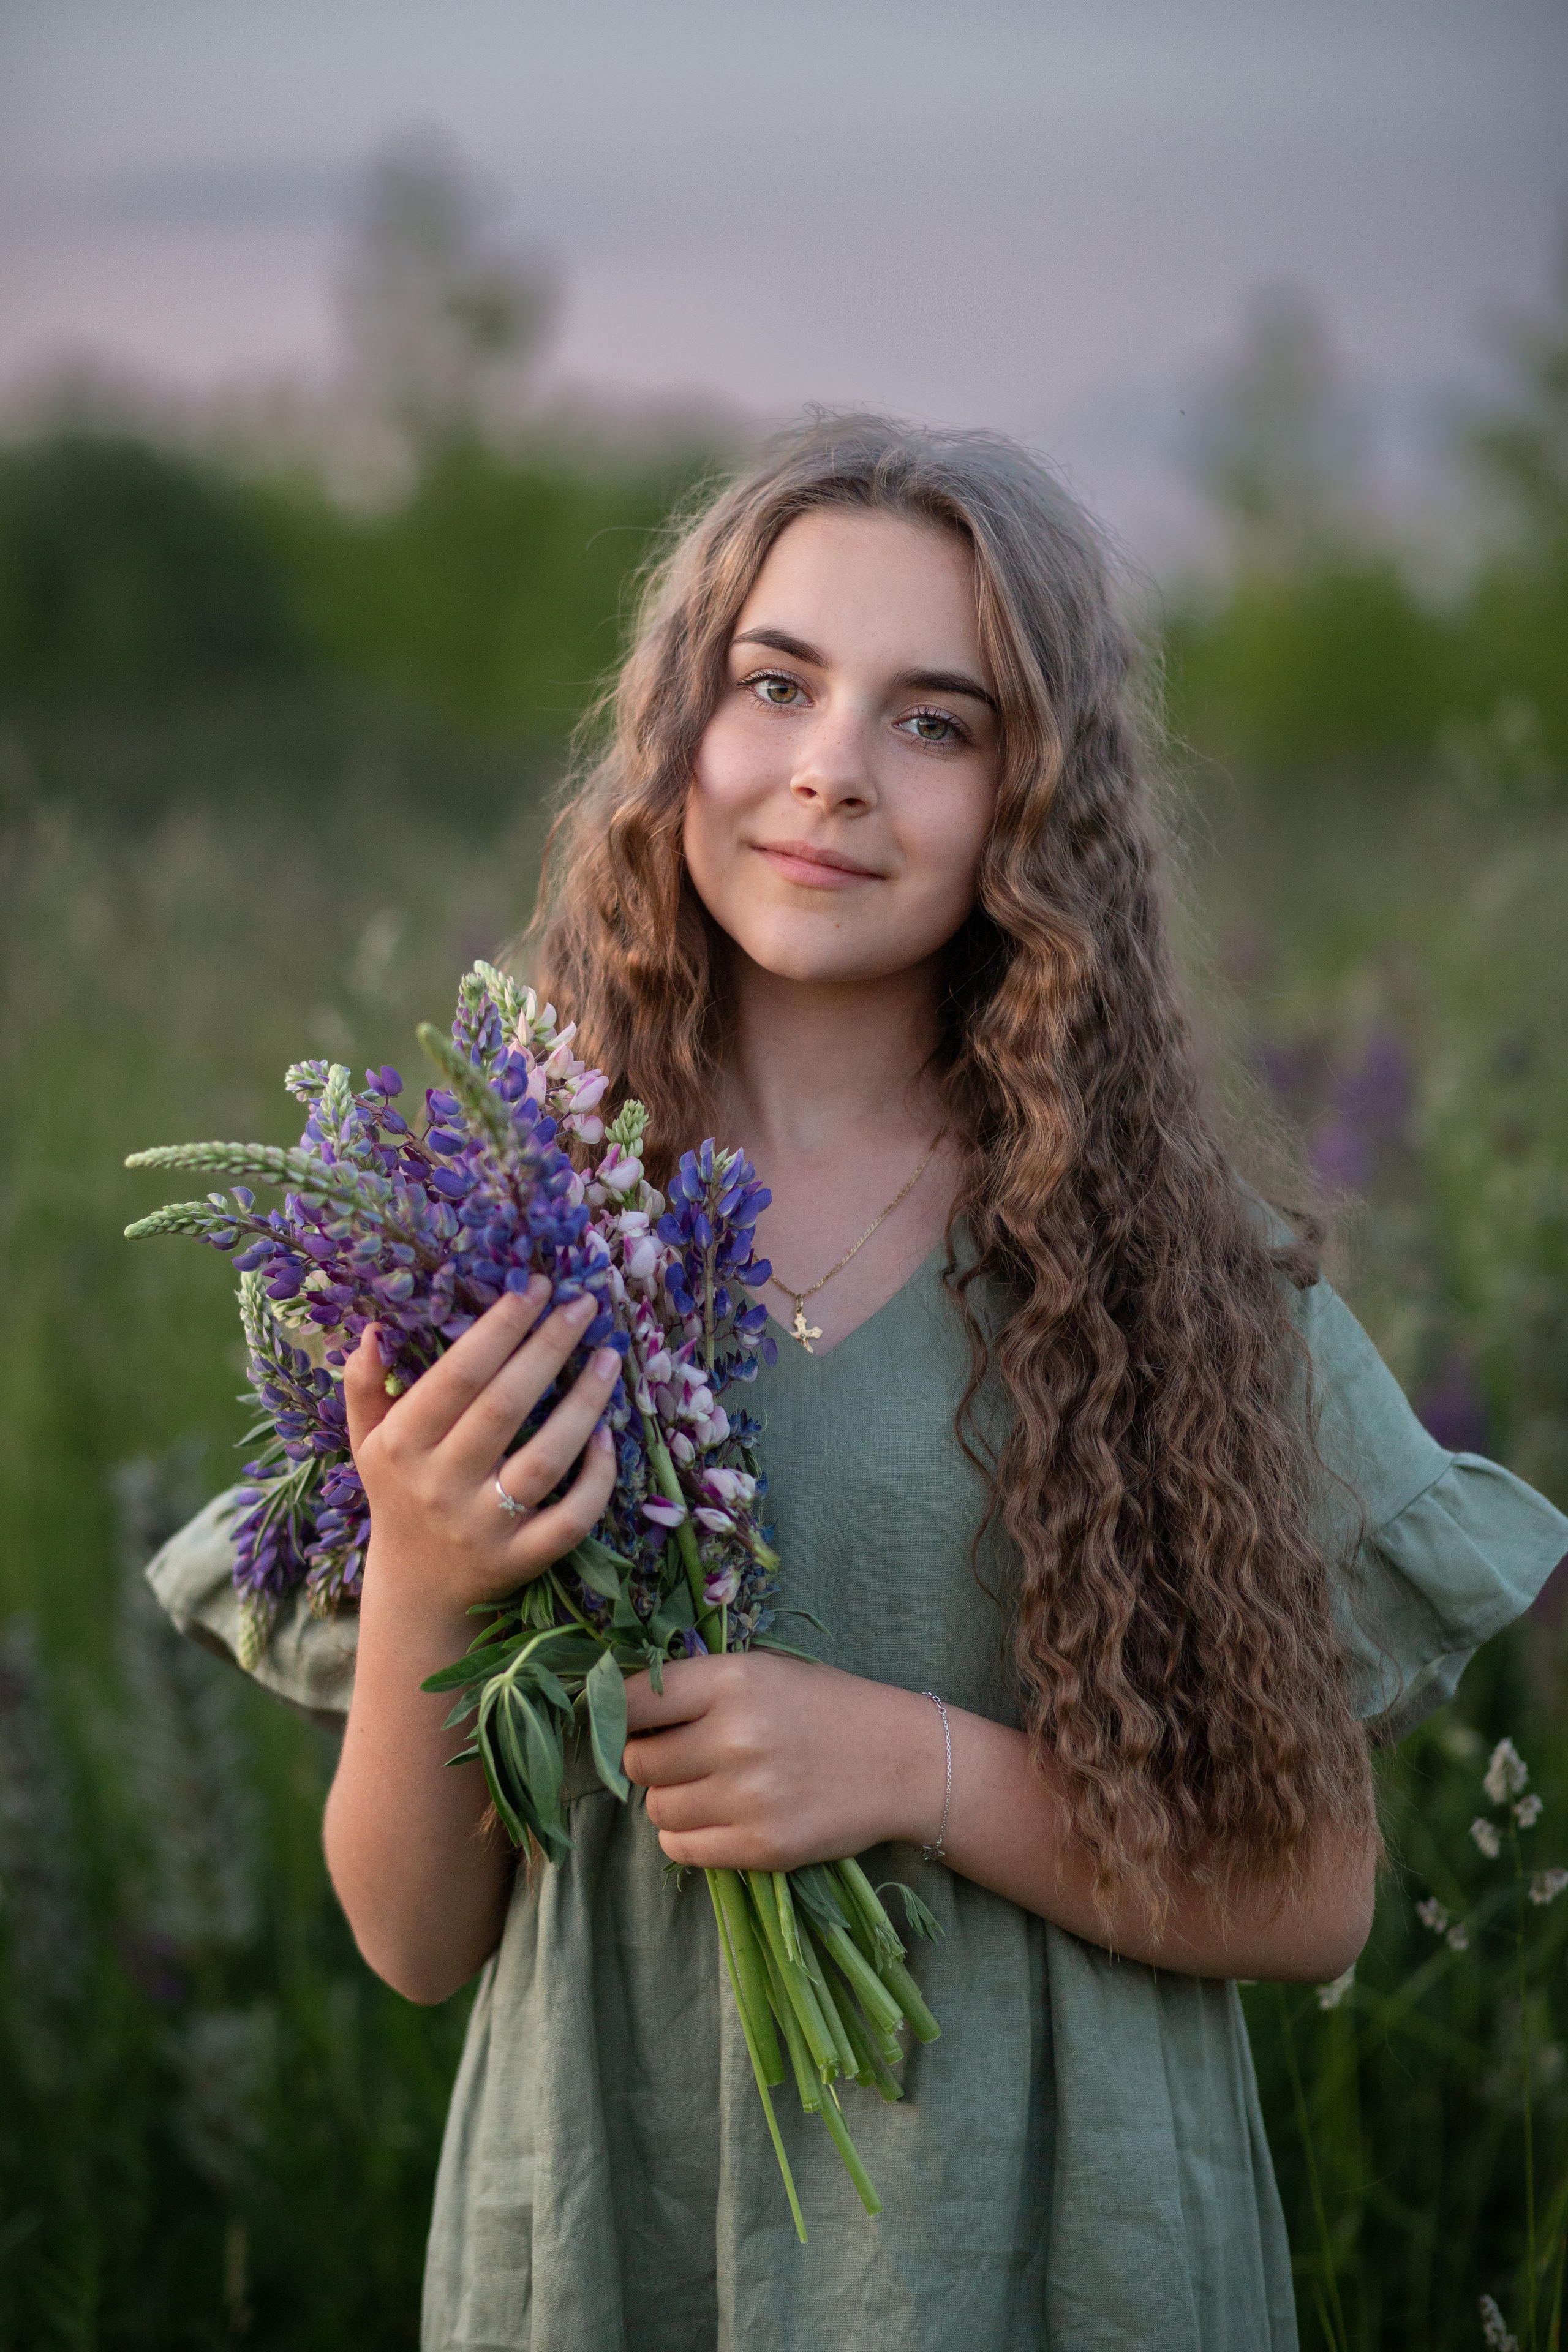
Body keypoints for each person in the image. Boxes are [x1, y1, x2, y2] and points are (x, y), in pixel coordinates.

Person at [149, 413, 1568, 2351]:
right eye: (775, 684)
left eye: (937, 721)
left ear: (1033, 809)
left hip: (1051, 2255)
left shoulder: (1179, 1288)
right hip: (617, 2224)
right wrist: (419, 1559)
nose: (830, 771)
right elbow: (413, 1941)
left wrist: (912, 1769)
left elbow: (1310, 1897)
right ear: (678, 734)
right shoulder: (484, 1250)